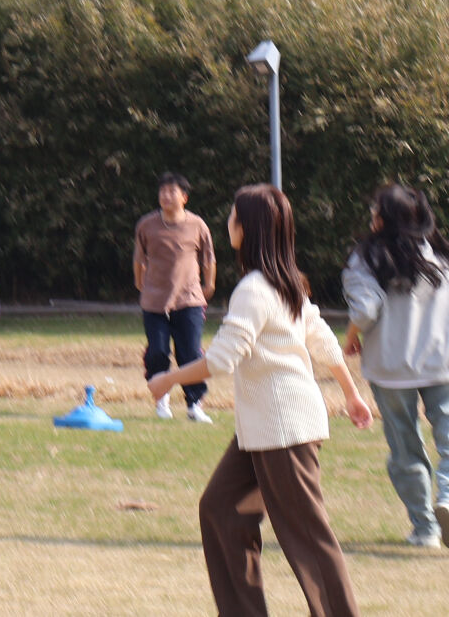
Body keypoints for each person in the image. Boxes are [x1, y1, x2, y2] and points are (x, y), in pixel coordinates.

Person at [150, 183, 373, 616]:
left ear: (247, 229)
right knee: (221, 510)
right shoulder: (284, 282)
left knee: (308, 538)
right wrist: (350, 394)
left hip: (284, 430)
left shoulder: (255, 288)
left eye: (234, 216)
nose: (229, 222)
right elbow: (322, 338)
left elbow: (222, 359)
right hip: (263, 430)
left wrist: (168, 379)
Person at [341, 183, 449, 551]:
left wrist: (352, 335)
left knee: (405, 448)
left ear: (382, 218)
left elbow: (366, 311)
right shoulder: (437, 255)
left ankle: (425, 528)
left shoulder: (365, 258)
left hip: (391, 368)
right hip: (442, 362)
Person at [135, 172, 217, 423]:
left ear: (184, 197)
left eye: (172, 192)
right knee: (157, 351)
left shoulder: (197, 225)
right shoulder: (147, 225)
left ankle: (195, 405)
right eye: (162, 192)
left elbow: (209, 259)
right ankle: (162, 400)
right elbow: (139, 260)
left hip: (189, 300)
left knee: (190, 352)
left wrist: (209, 285)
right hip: (155, 302)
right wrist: (142, 286)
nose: (166, 196)